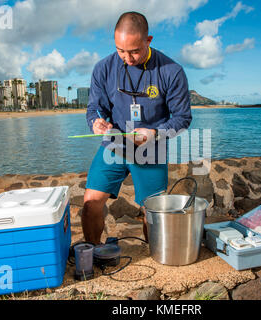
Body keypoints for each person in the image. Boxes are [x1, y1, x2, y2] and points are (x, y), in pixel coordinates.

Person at [81, 11, 192, 244]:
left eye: (134, 51)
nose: (127, 58)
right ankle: (91, 251)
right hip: (114, 146)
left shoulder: (172, 71)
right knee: (91, 202)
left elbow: (182, 118)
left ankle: (155, 255)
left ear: (148, 40)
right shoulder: (103, 68)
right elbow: (95, 109)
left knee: (151, 211)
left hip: (151, 149)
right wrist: (96, 122)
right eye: (121, 50)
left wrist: (154, 133)